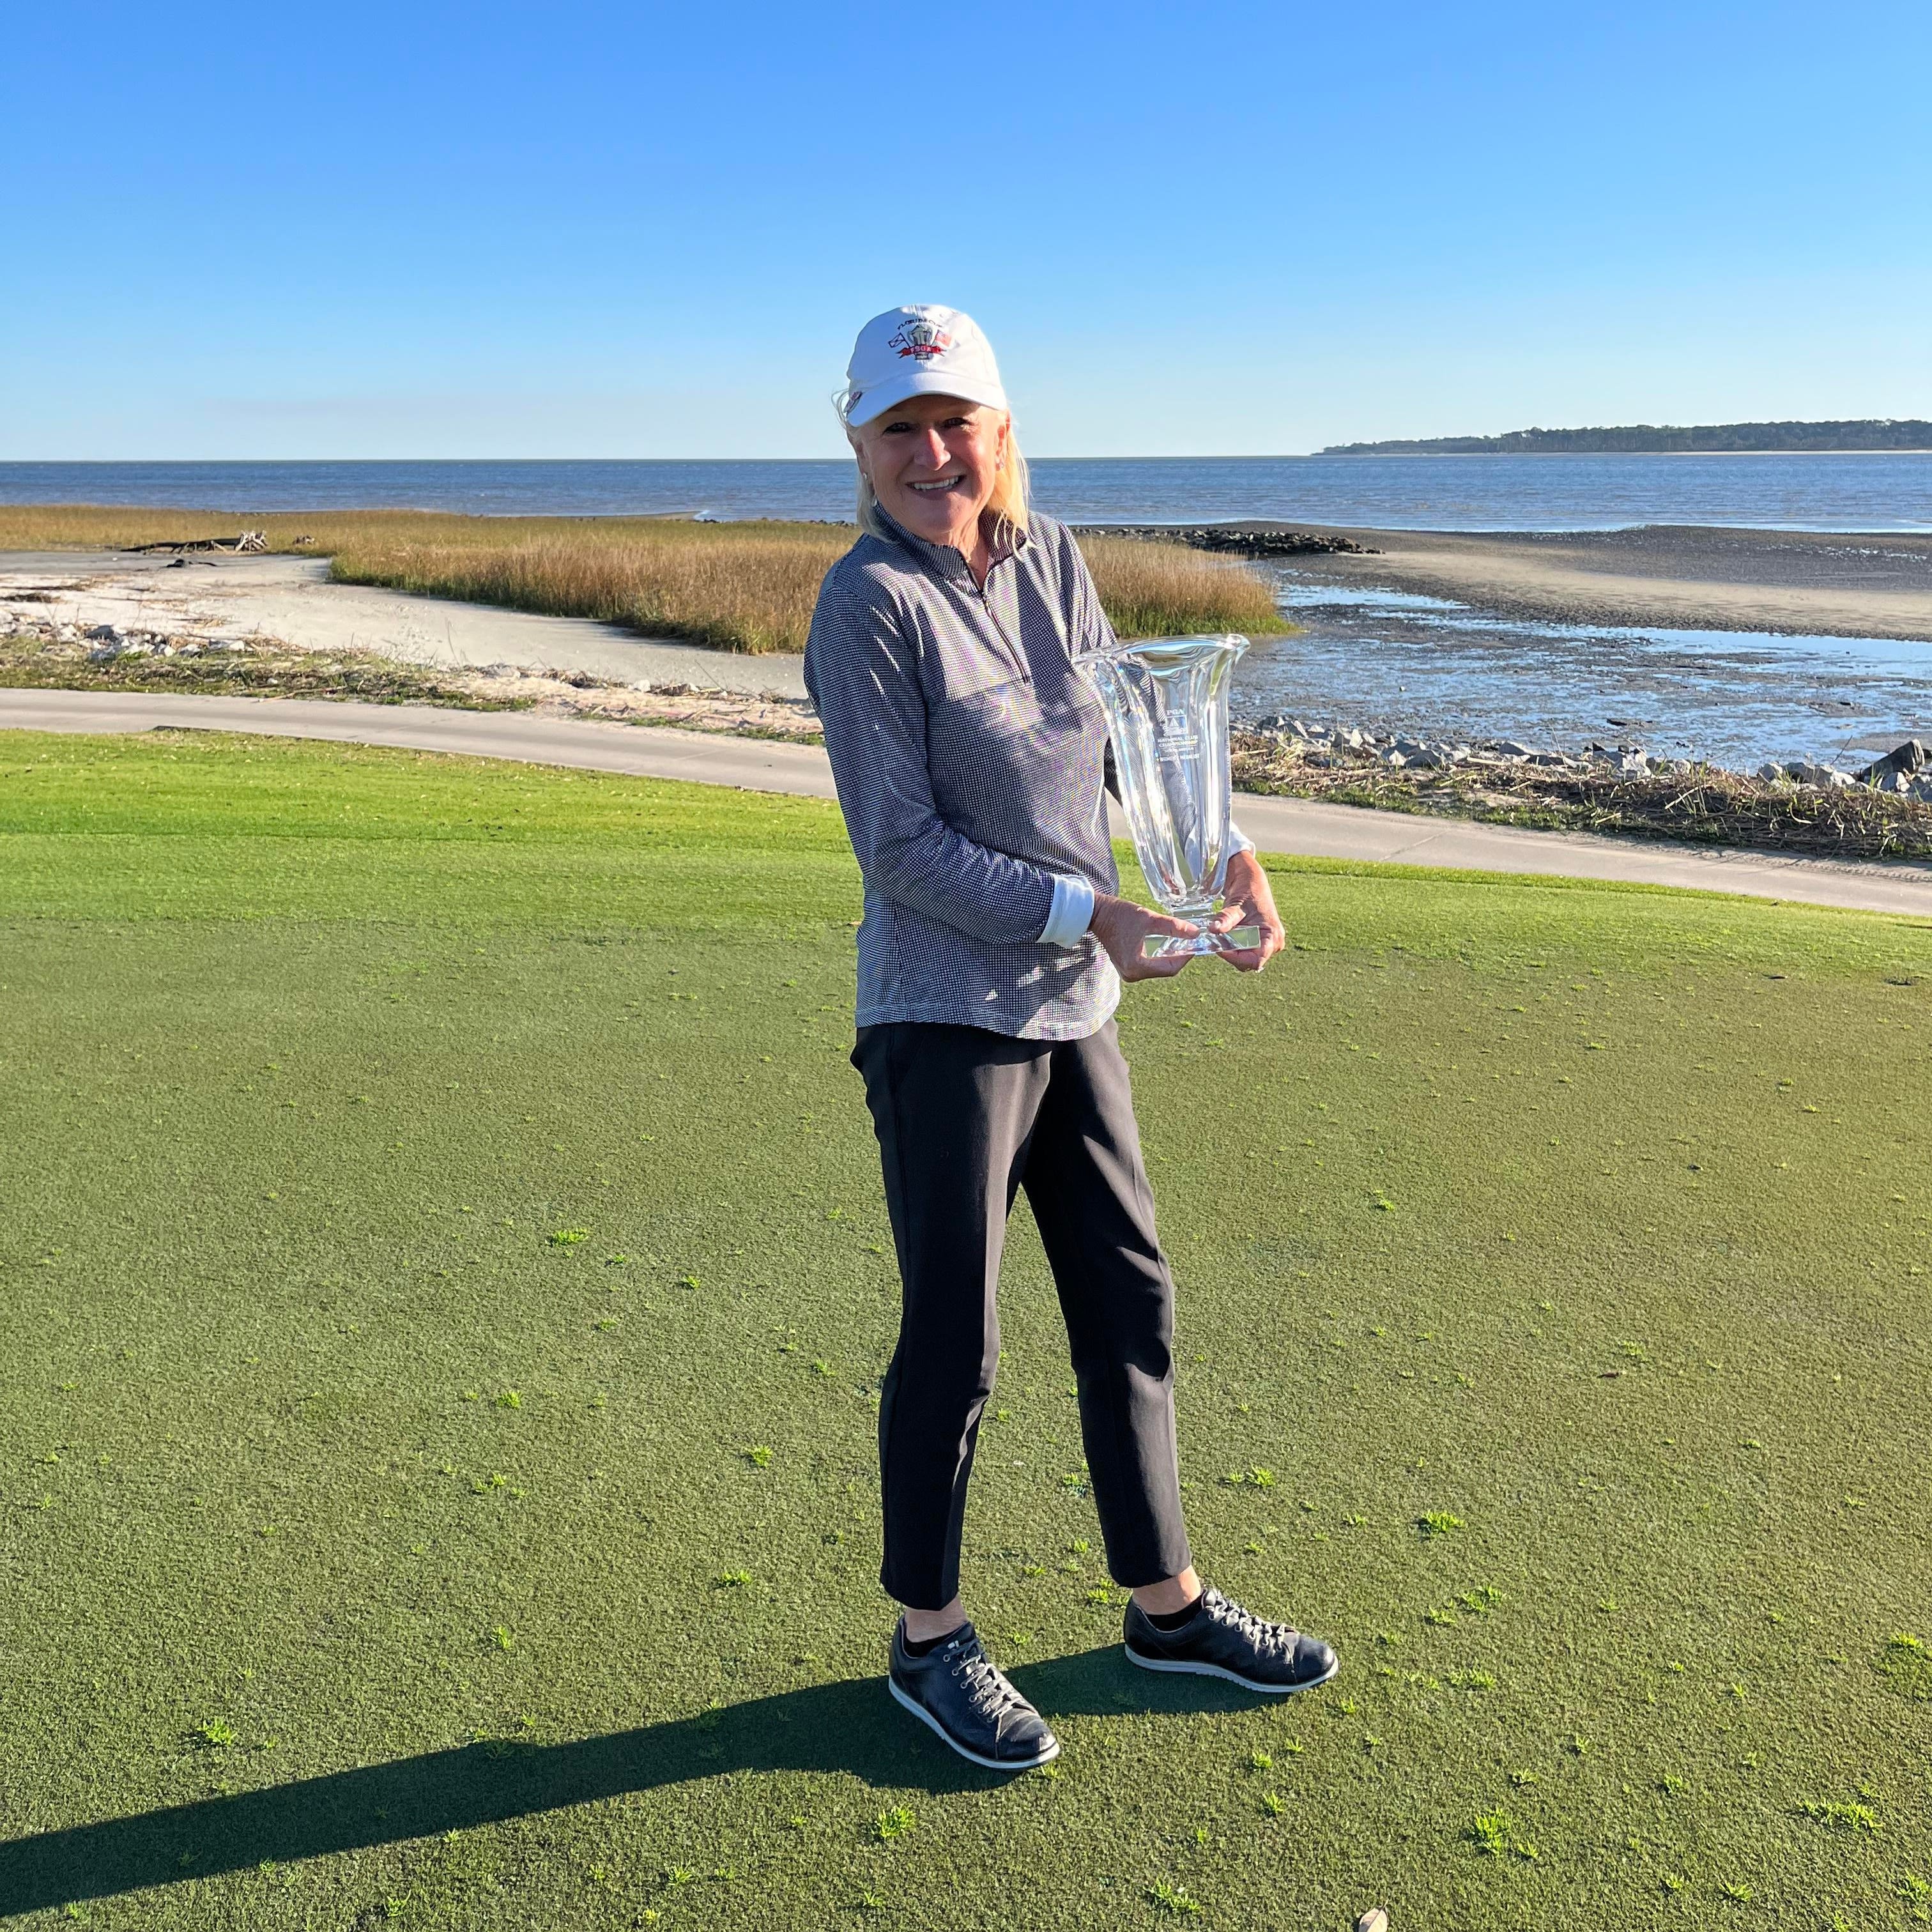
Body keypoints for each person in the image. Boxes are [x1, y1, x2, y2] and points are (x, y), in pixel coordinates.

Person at [803, 305, 1337, 1773]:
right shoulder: (867, 605)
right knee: (957, 1342)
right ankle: (928, 1638)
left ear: (999, 428)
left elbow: (1133, 749)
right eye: (900, 428)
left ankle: (1163, 1604)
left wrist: (1226, 855)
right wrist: (1086, 917)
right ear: (859, 443)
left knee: (1127, 1301)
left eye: (954, 421)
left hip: (1072, 1009)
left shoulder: (1051, 562)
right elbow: (899, 848)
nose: (932, 451)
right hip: (940, 1017)